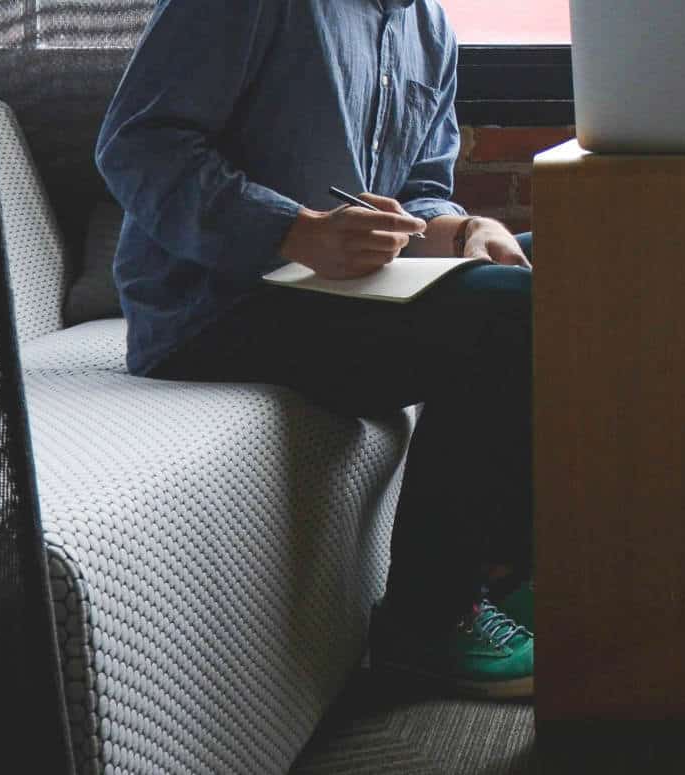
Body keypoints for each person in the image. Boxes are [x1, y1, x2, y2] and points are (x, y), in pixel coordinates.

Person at [95, 0, 539, 698]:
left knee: (564, 274)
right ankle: (427, 621)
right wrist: (293, 230)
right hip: (217, 308)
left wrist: (462, 230)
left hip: (340, 297)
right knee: (510, 313)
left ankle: (515, 573)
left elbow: (418, 193)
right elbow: (136, 143)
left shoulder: (429, 27)